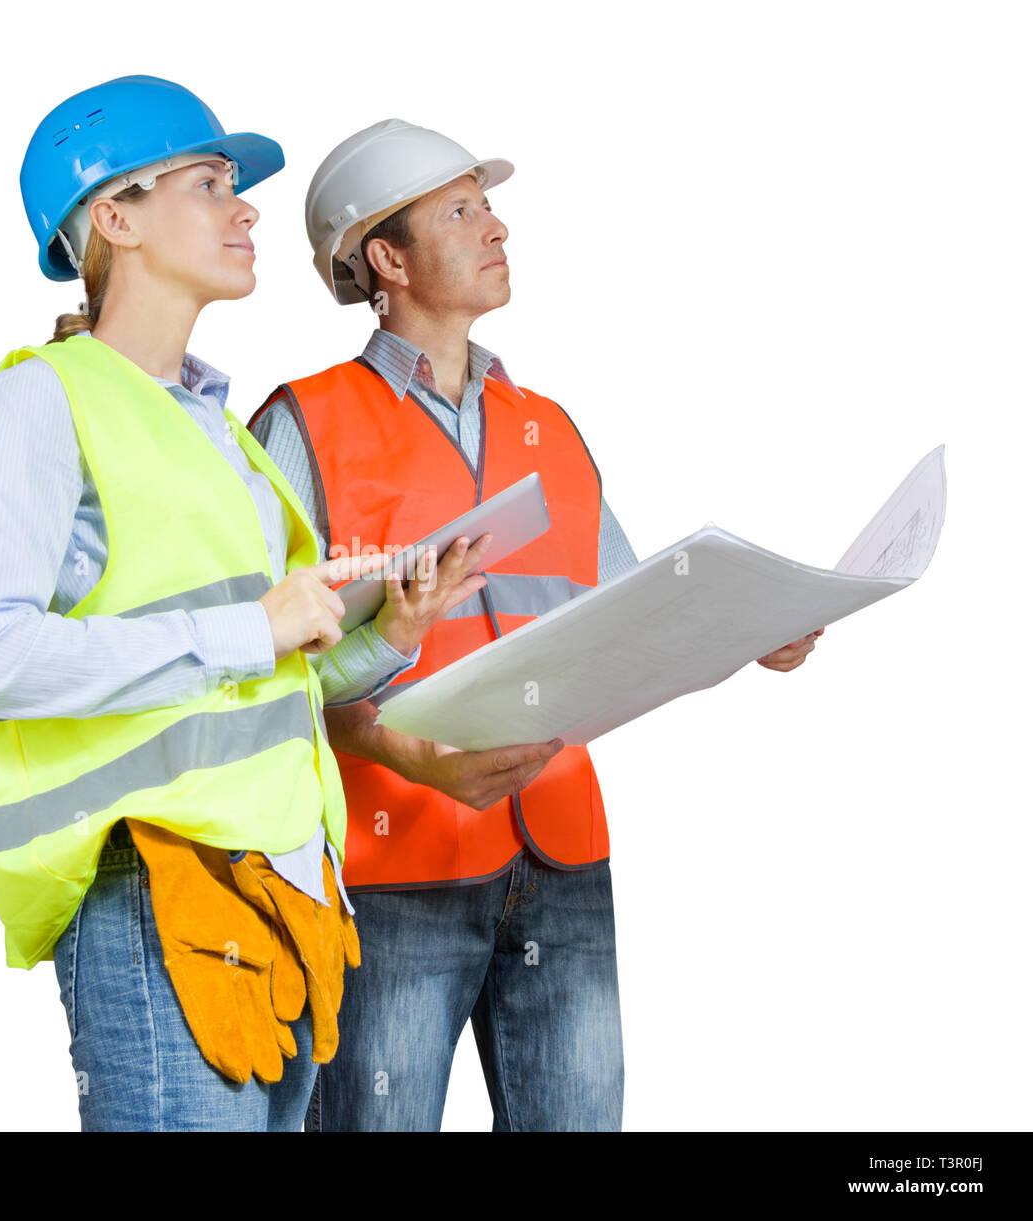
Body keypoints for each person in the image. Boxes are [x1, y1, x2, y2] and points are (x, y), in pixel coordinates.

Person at [0, 80, 486, 1132]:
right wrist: (253, 626)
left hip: (287, 894)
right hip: (156, 882)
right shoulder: (41, 399)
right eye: (211, 182)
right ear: (114, 218)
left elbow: (255, 678)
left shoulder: (221, 436)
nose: (248, 208)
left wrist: (381, 642)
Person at [248, 118, 824, 1132]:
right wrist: (406, 754)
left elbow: (629, 614)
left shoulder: (546, 426)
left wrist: (747, 631)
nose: (497, 227)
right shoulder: (303, 424)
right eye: (462, 210)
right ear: (386, 256)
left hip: (557, 858)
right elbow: (251, 673)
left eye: (490, 204)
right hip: (389, 869)